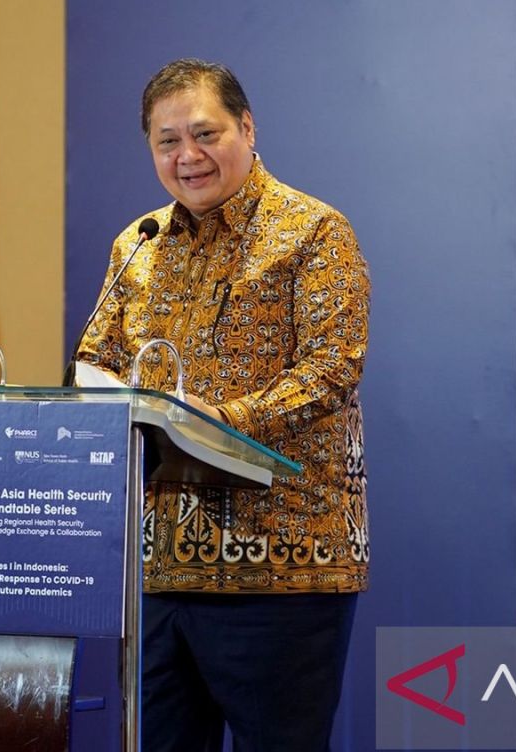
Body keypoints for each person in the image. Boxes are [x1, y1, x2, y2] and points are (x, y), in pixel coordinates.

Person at [75, 58, 370, 752]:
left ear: (247, 126)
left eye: (205, 134)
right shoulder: (137, 245)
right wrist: (92, 388)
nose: (188, 156)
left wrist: (214, 421)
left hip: (285, 568)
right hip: (157, 570)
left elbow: (332, 369)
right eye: (167, 141)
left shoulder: (314, 232)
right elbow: (96, 362)